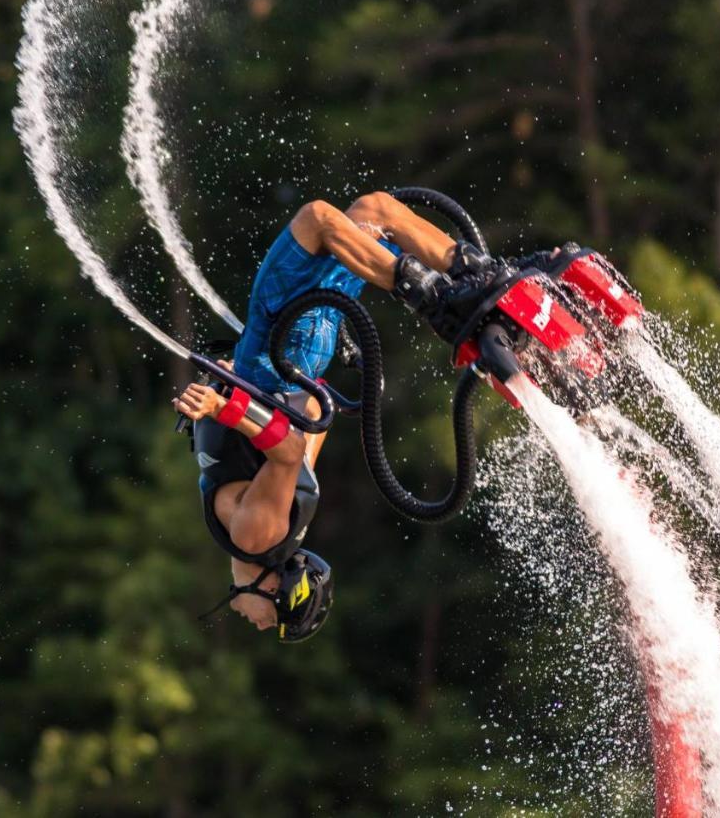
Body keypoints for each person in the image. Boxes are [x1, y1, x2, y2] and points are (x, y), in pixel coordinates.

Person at [173, 191, 563, 641]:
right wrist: (226, 405)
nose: (260, 625)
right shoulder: (254, 538)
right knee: (318, 219)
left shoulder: (270, 528)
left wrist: (234, 389)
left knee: (375, 211)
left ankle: (482, 275)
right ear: (278, 591)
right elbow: (289, 450)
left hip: (296, 351)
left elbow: (314, 413)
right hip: (280, 345)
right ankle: (441, 294)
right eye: (273, 622)